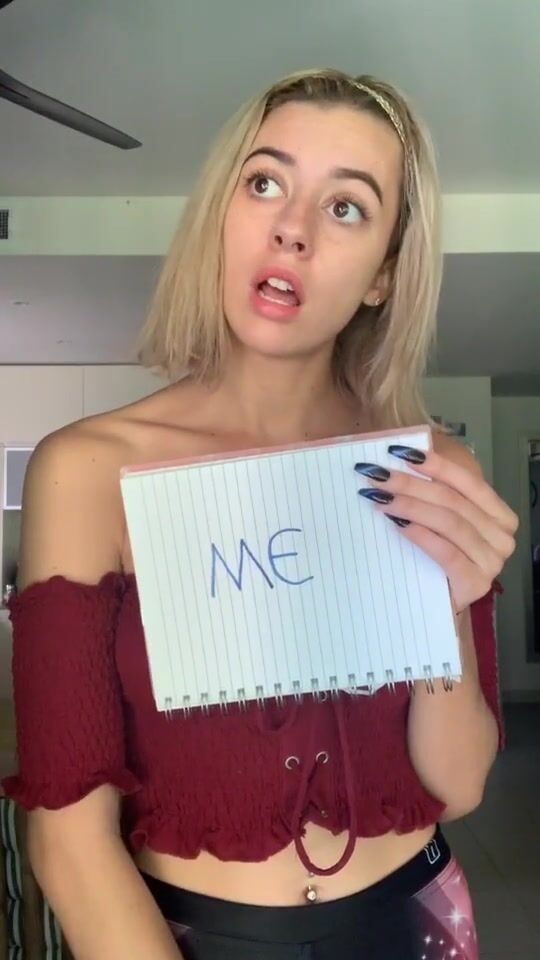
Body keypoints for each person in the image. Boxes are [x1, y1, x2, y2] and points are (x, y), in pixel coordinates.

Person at [2, 68, 517, 960]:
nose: (293, 227)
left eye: (346, 207)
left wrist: (443, 610)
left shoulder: (429, 469)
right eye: (266, 182)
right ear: (222, 214)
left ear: (383, 276)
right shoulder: (87, 475)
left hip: (417, 919)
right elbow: (68, 839)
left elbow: (459, 784)